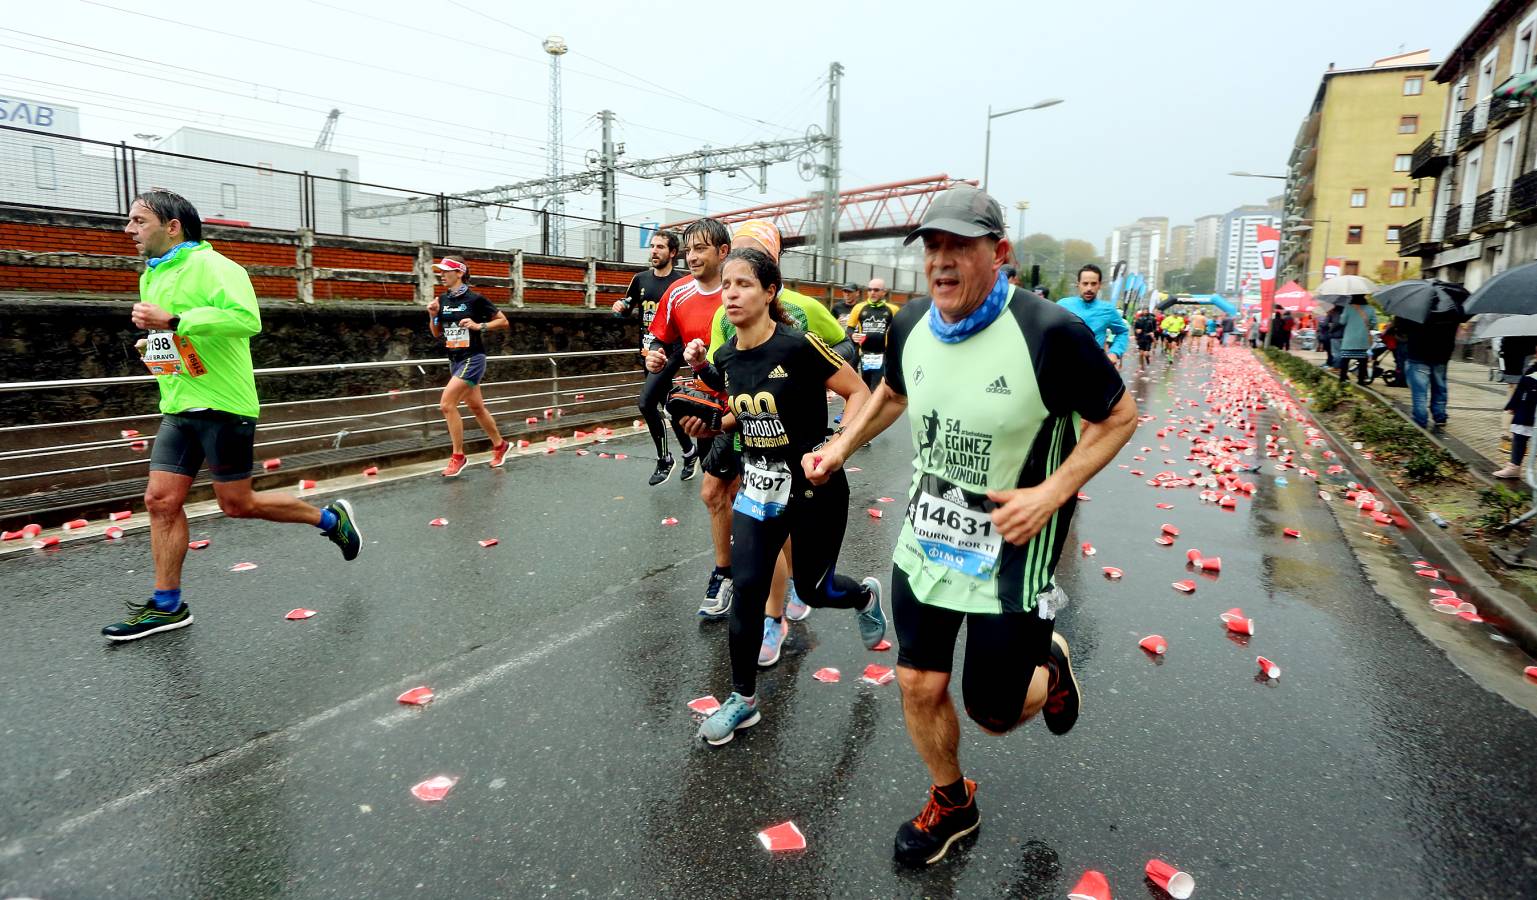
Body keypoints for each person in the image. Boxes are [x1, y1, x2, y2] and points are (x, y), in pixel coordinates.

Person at [805, 185, 1138, 866]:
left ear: (1000, 252)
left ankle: (1050, 666)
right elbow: (893, 391)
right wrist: (840, 446)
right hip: (928, 535)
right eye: (932, 246)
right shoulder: (910, 323)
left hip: (1013, 545)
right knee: (916, 682)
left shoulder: (1049, 333)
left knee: (994, 712)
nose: (942, 261)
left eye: (959, 245)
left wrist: (1050, 492)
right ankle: (951, 803)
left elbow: (1119, 417)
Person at [109, 189, 362, 641]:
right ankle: (168, 605)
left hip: (224, 405)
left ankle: (330, 521)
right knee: (160, 501)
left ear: (173, 227)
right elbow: (181, 334)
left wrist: (175, 322)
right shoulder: (152, 275)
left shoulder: (217, 266)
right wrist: (157, 346)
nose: (128, 230)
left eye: (138, 221)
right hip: (178, 404)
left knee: (237, 504)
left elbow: (246, 319)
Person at [681, 247, 886, 745]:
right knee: (748, 592)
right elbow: (742, 413)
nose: (730, 292)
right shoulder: (727, 356)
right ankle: (743, 699)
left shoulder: (798, 346)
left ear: (770, 292)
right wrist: (710, 422)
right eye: (726, 284)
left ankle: (864, 596)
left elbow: (859, 392)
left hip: (815, 486)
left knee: (814, 590)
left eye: (744, 284)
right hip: (758, 486)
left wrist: (836, 446)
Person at [704, 219, 853, 648]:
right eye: (728, 274)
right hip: (750, 438)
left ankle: (800, 597)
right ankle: (761, 636)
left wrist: (813, 392)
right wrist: (710, 403)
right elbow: (729, 380)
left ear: (770, 278)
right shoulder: (725, 321)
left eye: (748, 268)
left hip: (801, 458)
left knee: (808, 575)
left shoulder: (803, 321)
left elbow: (844, 351)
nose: (733, 288)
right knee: (737, 528)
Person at [648, 219, 732, 616]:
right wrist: (652, 357)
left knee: (747, 497)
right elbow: (658, 341)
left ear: (723, 252)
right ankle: (730, 571)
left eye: (702, 248)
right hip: (706, 406)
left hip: (752, 410)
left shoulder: (740, 290)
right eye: (689, 249)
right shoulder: (678, 293)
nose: (693, 256)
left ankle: (770, 577)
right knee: (719, 494)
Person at [614, 230, 695, 486]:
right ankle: (691, 453)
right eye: (652, 246)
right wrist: (620, 308)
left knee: (646, 403)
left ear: (673, 253)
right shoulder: (640, 280)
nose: (654, 251)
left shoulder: (682, 283)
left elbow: (688, 322)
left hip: (670, 354)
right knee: (670, 406)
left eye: (660, 247)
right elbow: (627, 309)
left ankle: (664, 459)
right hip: (647, 353)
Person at [428, 256, 512, 477]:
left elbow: (503, 321)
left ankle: (458, 456)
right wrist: (433, 315)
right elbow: (437, 333)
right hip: (455, 359)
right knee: (476, 407)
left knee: (447, 404)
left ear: (459, 273)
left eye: (446, 271)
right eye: (440, 271)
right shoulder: (443, 299)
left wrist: (478, 325)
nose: (442, 275)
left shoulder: (475, 299)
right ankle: (500, 445)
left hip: (473, 358)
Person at [1397, 308, 1462, 430]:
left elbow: (1401, 329)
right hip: (1442, 353)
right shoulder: (1451, 308)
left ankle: (1420, 420)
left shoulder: (1415, 306)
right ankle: (1440, 416)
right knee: (1440, 386)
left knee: (1420, 391)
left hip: (1418, 353)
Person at [1056, 264, 1129, 365]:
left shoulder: (1107, 309)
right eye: (1085, 283)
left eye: (1093, 284)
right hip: (1066, 367)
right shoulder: (1063, 305)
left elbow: (1123, 332)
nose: (1089, 288)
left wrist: (1114, 353)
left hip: (1096, 368)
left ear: (1099, 285)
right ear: (1078, 284)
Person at [848, 277, 902, 392]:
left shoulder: (893, 309)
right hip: (864, 354)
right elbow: (849, 328)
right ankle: (864, 408)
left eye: (876, 290)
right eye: (870, 289)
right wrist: (853, 335)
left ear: (884, 292)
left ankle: (874, 408)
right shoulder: (859, 308)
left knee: (877, 388)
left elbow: (899, 331)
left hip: (883, 354)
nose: (872, 292)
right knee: (865, 387)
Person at [1496, 359, 1537, 479]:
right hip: (1526, 409)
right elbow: (1520, 389)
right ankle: (1514, 466)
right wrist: (1513, 405)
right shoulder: (1531, 370)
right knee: (1519, 436)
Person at [1336, 297, 1377, 384]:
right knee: (1362, 361)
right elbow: (1374, 324)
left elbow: (1342, 321)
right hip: (1362, 339)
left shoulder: (1348, 307)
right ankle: (1361, 380)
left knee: (1345, 360)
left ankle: (1342, 379)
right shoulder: (1370, 309)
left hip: (1349, 339)